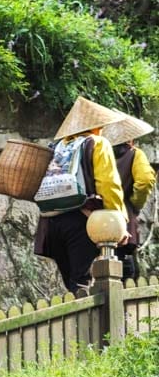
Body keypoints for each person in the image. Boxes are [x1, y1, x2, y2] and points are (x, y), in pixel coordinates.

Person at [34, 97, 128, 293]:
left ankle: (76, 322)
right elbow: (108, 185)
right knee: (82, 283)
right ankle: (90, 324)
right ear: (94, 126)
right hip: (83, 221)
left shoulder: (55, 147)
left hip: (50, 224)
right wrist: (119, 222)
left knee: (70, 283)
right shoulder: (97, 143)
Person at [101, 110, 156, 280]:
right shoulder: (134, 154)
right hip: (122, 218)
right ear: (130, 137)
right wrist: (135, 204)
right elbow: (145, 180)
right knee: (123, 265)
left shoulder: (98, 154)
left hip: (94, 218)